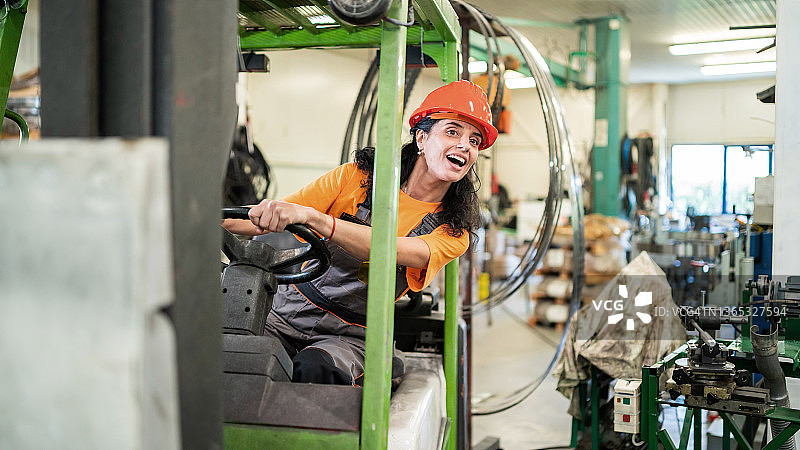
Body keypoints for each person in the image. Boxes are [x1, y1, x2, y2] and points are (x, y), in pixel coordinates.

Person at [223, 80, 498, 385]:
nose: (465, 146)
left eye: (474, 140)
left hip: (351, 336)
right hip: (284, 314)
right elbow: (260, 219)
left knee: (315, 370)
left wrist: (318, 220)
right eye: (453, 132)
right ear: (422, 138)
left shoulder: (454, 230)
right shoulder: (355, 178)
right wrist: (207, 220)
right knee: (232, 357)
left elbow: (395, 251)